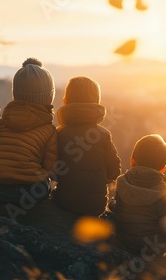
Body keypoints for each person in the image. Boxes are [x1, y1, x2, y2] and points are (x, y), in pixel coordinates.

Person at [0, 58, 58, 206]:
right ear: (48, 96)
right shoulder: (49, 129)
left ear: (16, 93)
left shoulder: (2, 123)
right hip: (30, 192)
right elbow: (51, 168)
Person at [52, 76, 121, 216]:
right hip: (96, 206)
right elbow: (114, 171)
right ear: (97, 103)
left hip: (64, 203)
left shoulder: (58, 133)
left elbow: (53, 172)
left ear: (65, 101)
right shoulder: (103, 135)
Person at [109, 134, 166, 257]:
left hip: (125, 242)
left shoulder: (123, 184)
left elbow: (119, 209)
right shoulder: (164, 195)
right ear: (163, 169)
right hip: (151, 249)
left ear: (132, 160)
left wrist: (112, 204)